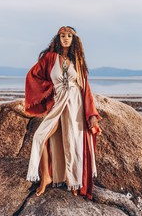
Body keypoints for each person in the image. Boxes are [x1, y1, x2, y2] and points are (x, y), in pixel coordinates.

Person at [25, 26, 102, 200]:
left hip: (76, 104)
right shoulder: (50, 58)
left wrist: (91, 115)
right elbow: (33, 76)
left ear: (74, 39)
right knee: (40, 137)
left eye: (69, 36)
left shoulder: (78, 60)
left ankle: (74, 181)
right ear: (58, 38)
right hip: (58, 102)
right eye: (62, 35)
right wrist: (49, 90)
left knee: (73, 141)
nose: (65, 38)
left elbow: (86, 88)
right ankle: (46, 176)